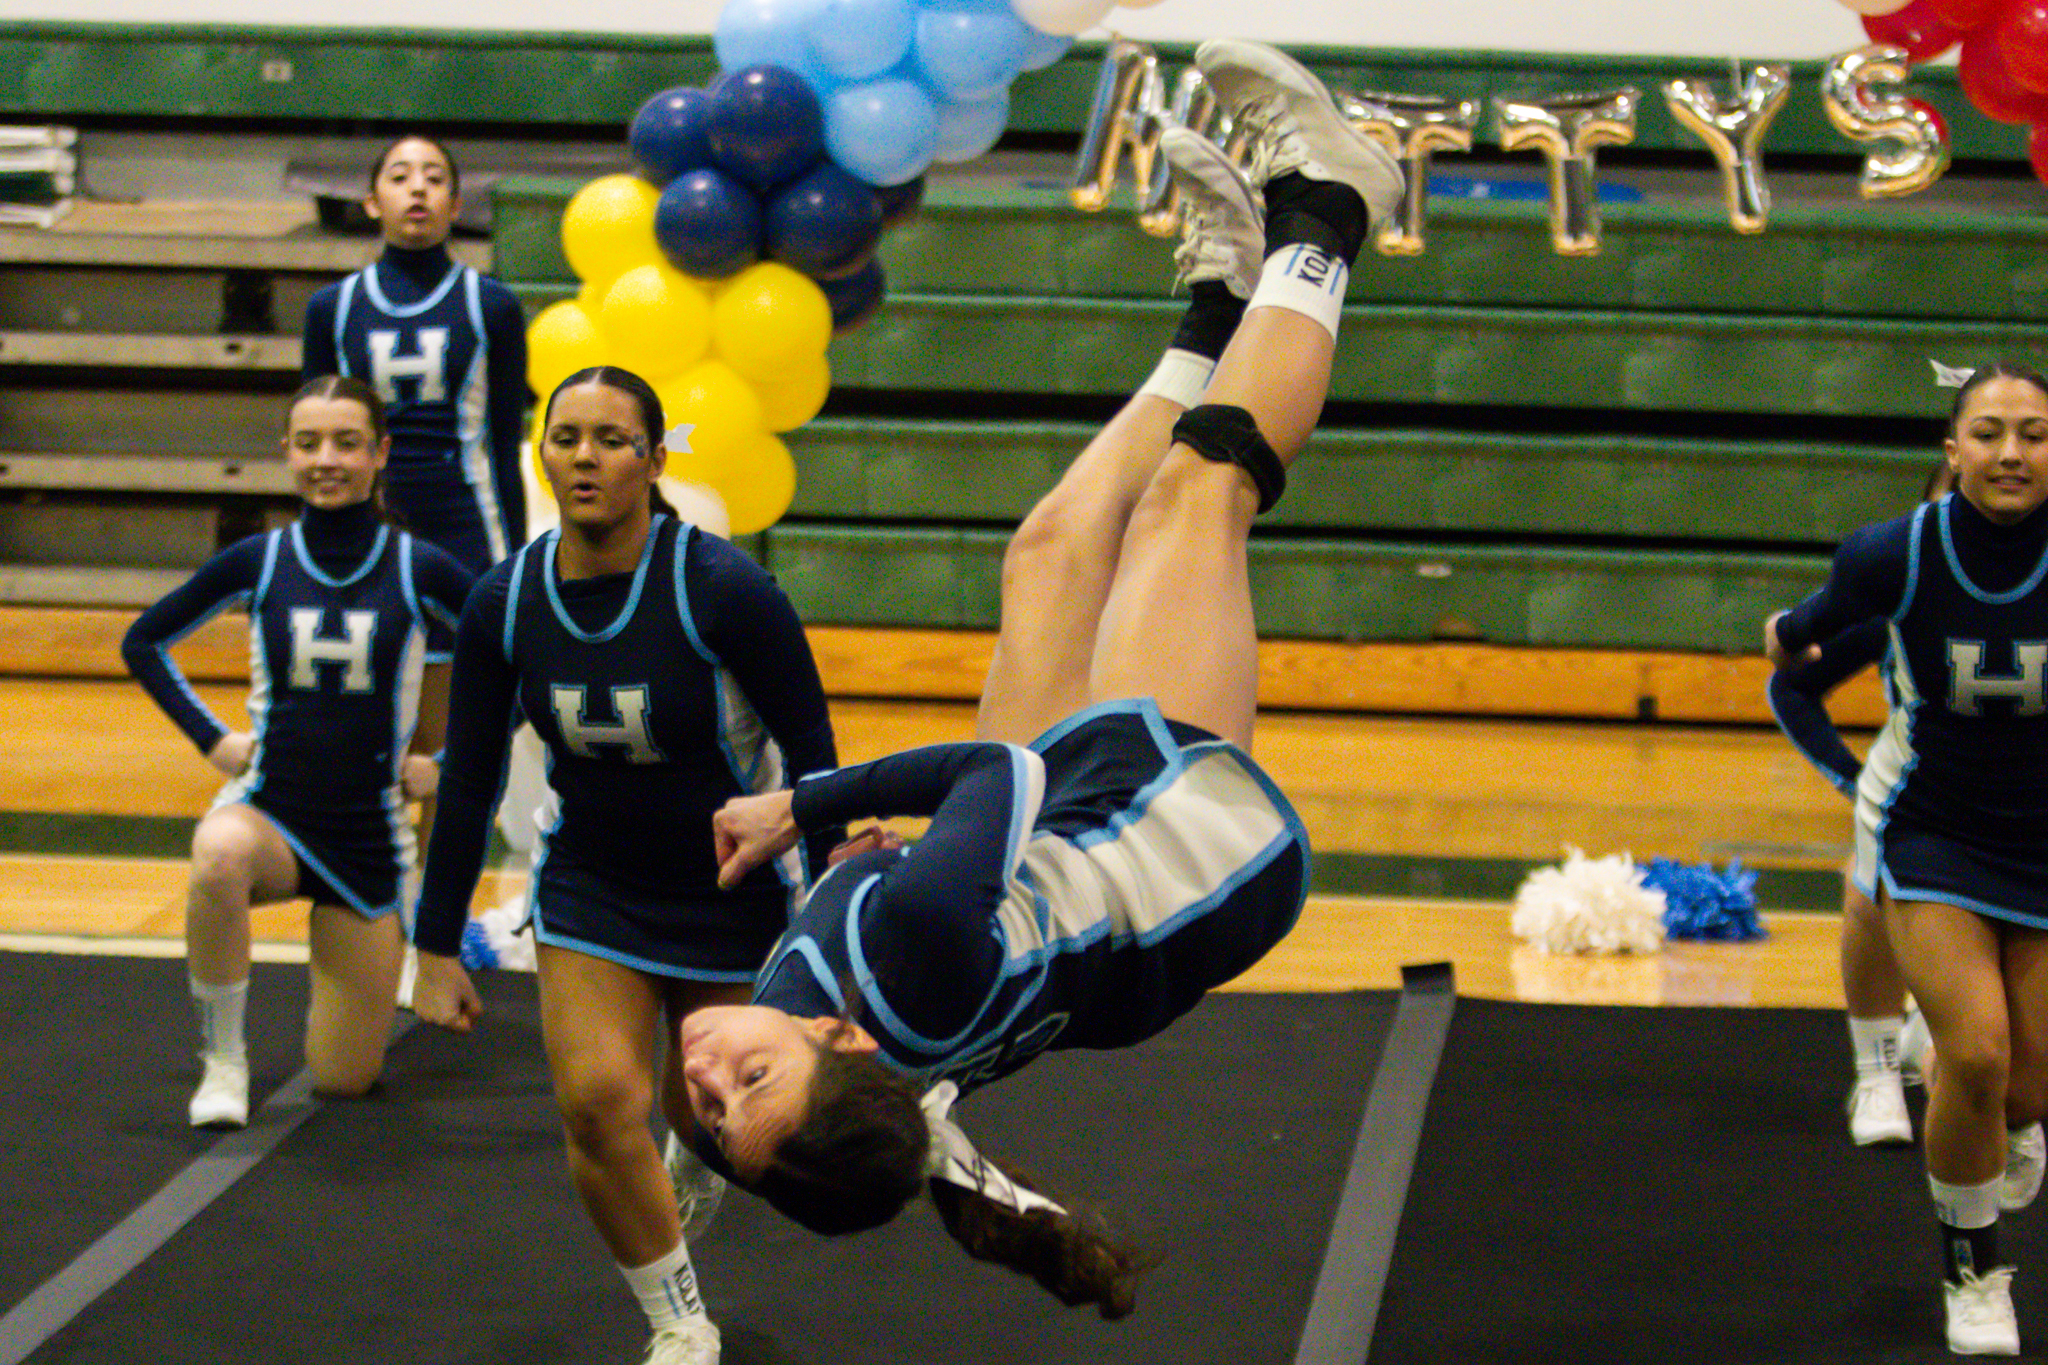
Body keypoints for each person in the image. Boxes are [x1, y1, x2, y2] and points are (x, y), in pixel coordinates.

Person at [677, 40, 1404, 1319]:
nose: (708, 1071)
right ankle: (1331, 206)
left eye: (710, 1107)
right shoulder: (913, 961)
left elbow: (911, 1115)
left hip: (1046, 887)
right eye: (750, 1087)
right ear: (845, 1048)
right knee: (1197, 496)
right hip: (1173, 857)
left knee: (1052, 551)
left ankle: (1220, 301)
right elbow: (999, 773)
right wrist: (814, 803)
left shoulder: (856, 1042)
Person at [408, 366, 838, 1365]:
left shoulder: (724, 587)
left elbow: (814, 758)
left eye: (610, 439)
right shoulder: (502, 601)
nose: (585, 458)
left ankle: (696, 1150)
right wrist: (434, 943)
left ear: (653, 459)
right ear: (540, 452)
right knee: (599, 1100)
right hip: (593, 883)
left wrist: (828, 930)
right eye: (566, 438)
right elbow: (466, 779)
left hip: (728, 889)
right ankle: (679, 1320)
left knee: (723, 1124)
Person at [1766, 363, 2048, 1356]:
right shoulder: (1892, 554)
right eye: (1987, 433)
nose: (2010, 452)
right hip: (1934, 831)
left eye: (2031, 433)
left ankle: (2006, 1123)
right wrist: (1788, 636)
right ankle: (1971, 1278)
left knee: (2023, 1084)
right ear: (1951, 449)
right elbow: (1805, 638)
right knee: (1971, 1050)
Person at [122, 376, 475, 1127]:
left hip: (369, 843)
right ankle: (223, 1061)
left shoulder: (420, 567)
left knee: (345, 1079)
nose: (327, 459)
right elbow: (143, 639)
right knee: (216, 852)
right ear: (286, 451)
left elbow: (521, 659)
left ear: (380, 453)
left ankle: (355, 972)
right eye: (309, 442)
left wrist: (445, 764)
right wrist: (213, 740)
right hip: (270, 817)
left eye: (347, 442)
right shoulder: (260, 558)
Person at [1768, 459, 1953, 1146]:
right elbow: (1791, 682)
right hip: (1925, 796)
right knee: (1868, 885)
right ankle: (1876, 1067)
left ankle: (1942, 1042)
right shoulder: (1901, 595)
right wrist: (1852, 782)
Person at [301, 134, 528, 575]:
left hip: (470, 527)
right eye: (400, 177)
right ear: (371, 202)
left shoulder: (492, 305)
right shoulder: (332, 308)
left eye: (434, 178)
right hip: (369, 524)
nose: (418, 188)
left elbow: (504, 446)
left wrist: (517, 563)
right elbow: (314, 443)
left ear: (456, 205)